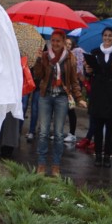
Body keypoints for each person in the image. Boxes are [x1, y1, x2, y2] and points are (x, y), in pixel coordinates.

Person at [33, 29, 86, 177]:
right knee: (43, 133)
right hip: (46, 96)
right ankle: (41, 164)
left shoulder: (70, 58)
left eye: (58, 41)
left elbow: (74, 80)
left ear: (63, 42)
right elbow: (38, 76)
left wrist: (79, 97)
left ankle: (56, 166)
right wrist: (37, 60)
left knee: (58, 133)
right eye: (53, 40)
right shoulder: (44, 56)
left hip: (62, 98)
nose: (55, 43)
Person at [84, 26, 112, 168]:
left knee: (110, 128)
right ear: (102, 36)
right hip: (98, 93)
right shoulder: (95, 52)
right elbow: (90, 73)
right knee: (97, 127)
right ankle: (98, 155)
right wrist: (88, 71)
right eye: (105, 35)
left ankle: (107, 155)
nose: (107, 38)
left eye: (110, 36)